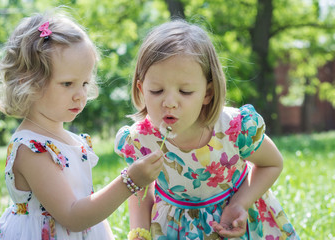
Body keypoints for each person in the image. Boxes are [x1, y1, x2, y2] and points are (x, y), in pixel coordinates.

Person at [114, 20, 299, 240]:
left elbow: (272, 163)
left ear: (208, 93)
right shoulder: (140, 140)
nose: (170, 102)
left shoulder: (233, 128)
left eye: (185, 91)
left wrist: (240, 203)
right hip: (175, 229)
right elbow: (140, 189)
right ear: (141, 89)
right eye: (156, 90)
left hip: (235, 222)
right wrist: (139, 231)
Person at [0, 9, 164, 240]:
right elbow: (71, 215)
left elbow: (92, 214)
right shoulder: (31, 148)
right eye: (68, 83)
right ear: (29, 82)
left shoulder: (72, 141)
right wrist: (129, 182)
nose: (80, 95)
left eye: (84, 83)